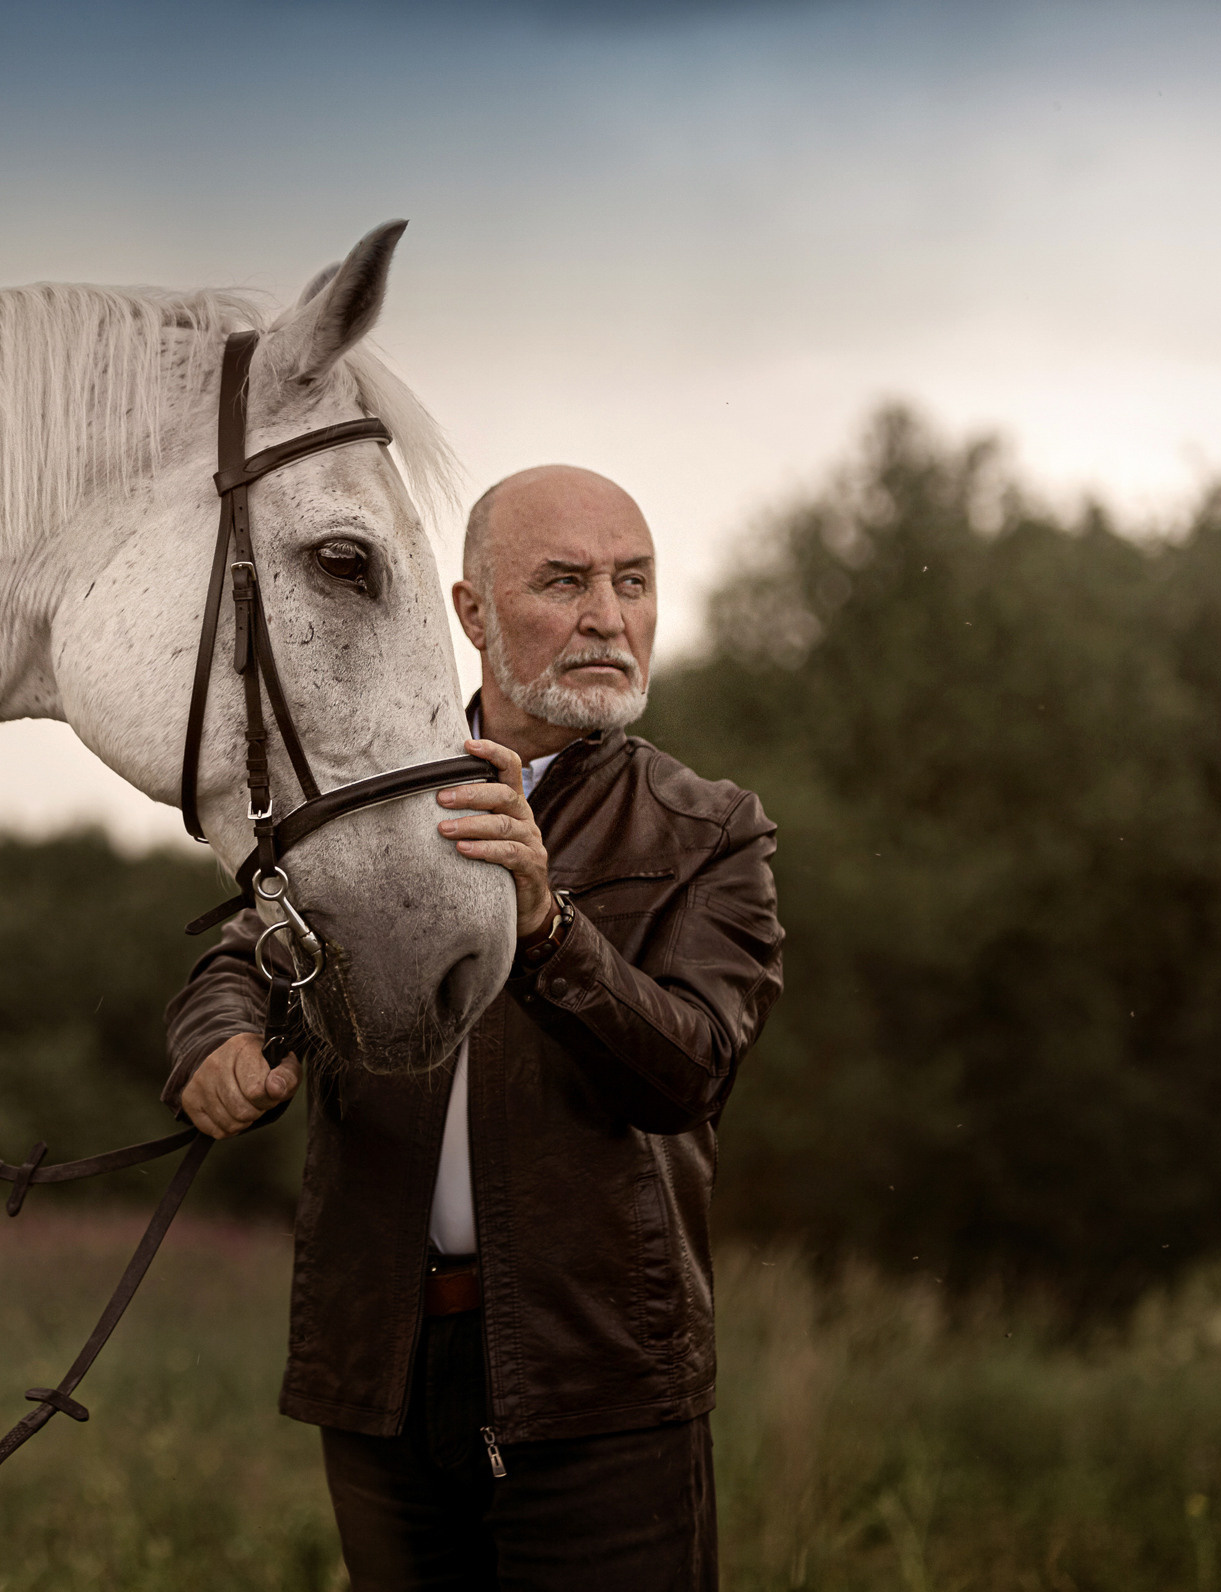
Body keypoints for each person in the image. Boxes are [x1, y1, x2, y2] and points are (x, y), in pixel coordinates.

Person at [163, 464, 783, 1590]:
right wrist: (214, 1040)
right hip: (382, 1369)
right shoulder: (369, 799)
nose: (608, 617)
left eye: (633, 581)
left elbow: (689, 1074)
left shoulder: (708, 829)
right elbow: (247, 947)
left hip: (597, 1376)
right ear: (472, 612)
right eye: (565, 581)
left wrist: (548, 927)